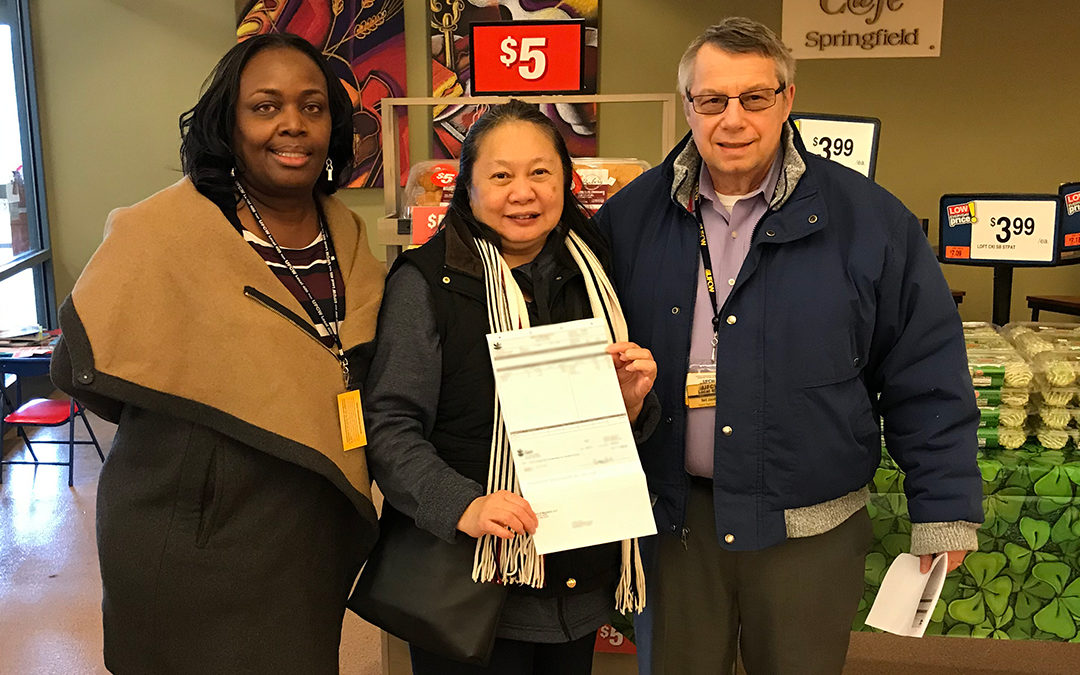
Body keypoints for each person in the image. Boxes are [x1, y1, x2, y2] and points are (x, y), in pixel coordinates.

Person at [593, 17, 984, 675]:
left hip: (812, 530)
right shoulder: (629, 219)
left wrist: (944, 507)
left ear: (788, 99)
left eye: (755, 97)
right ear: (689, 106)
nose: (733, 118)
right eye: (712, 100)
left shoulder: (869, 221)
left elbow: (925, 367)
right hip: (675, 522)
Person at [50, 33, 384, 673]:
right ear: (227, 124)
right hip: (190, 544)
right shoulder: (161, 231)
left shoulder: (347, 232)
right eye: (265, 106)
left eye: (313, 107)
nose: (292, 124)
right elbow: (84, 371)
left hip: (306, 539)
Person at [363, 99, 658, 675]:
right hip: (473, 575)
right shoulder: (426, 283)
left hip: (574, 574)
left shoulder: (594, 271)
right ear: (467, 189)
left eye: (540, 172)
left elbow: (621, 422)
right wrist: (463, 506)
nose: (523, 192)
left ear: (565, 182)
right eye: (500, 175)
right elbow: (390, 427)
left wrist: (632, 404)